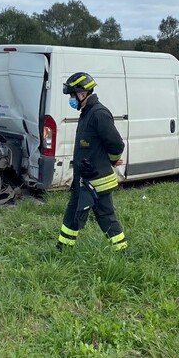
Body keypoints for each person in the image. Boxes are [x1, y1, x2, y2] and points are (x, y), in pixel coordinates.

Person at [57, 72, 127, 252]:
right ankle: (63, 249)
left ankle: (122, 250)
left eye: (73, 95)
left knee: (105, 215)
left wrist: (111, 161)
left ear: (82, 94)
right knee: (73, 212)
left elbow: (116, 144)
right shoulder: (87, 113)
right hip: (84, 179)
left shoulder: (99, 114)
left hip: (97, 181)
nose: (71, 100)